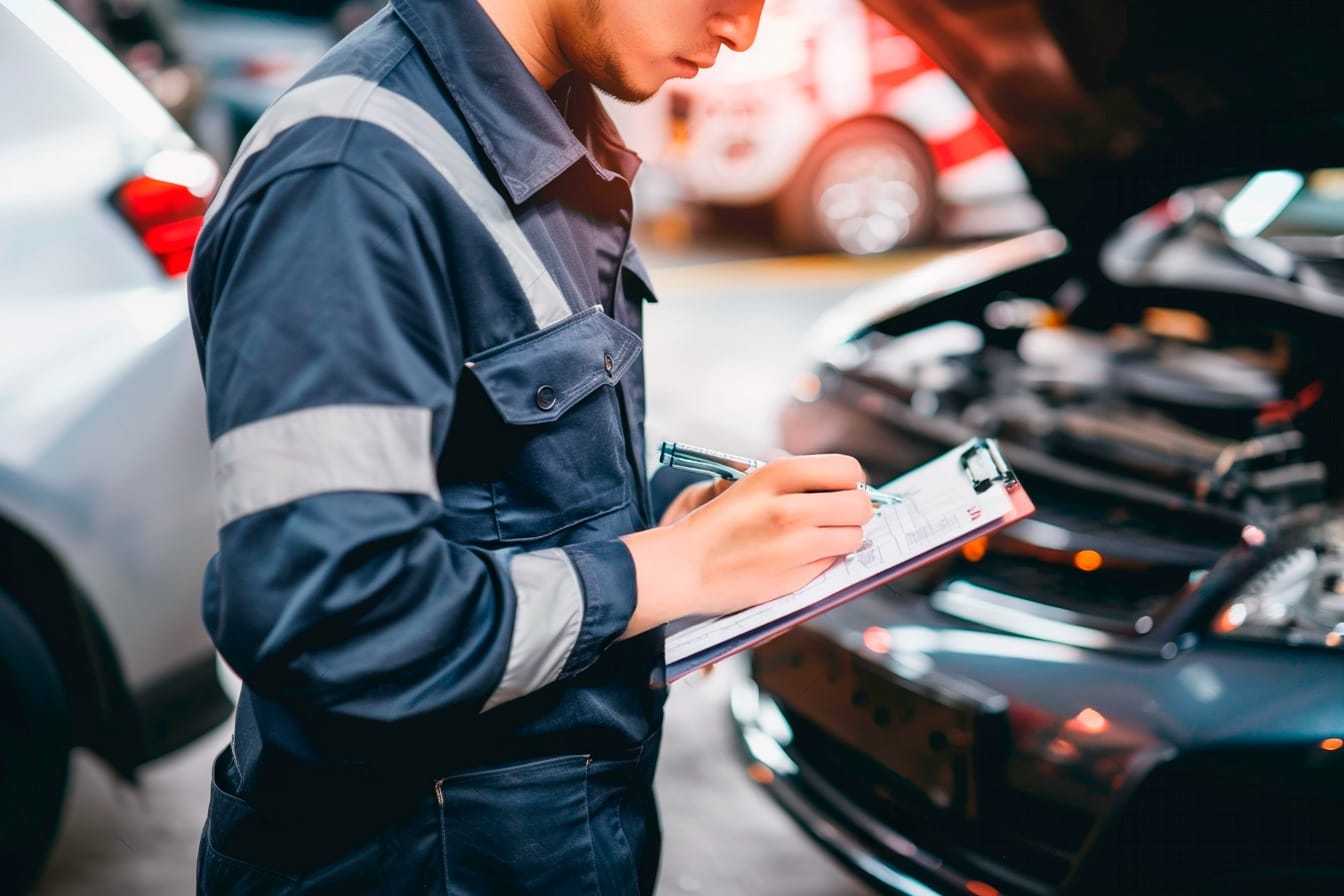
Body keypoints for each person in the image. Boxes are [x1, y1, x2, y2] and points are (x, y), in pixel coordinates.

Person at [188, 0, 875, 892]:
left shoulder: (543, 121)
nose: (743, 31)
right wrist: (670, 569)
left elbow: (493, 483)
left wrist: (674, 522)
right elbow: (330, 622)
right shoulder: (349, 176)